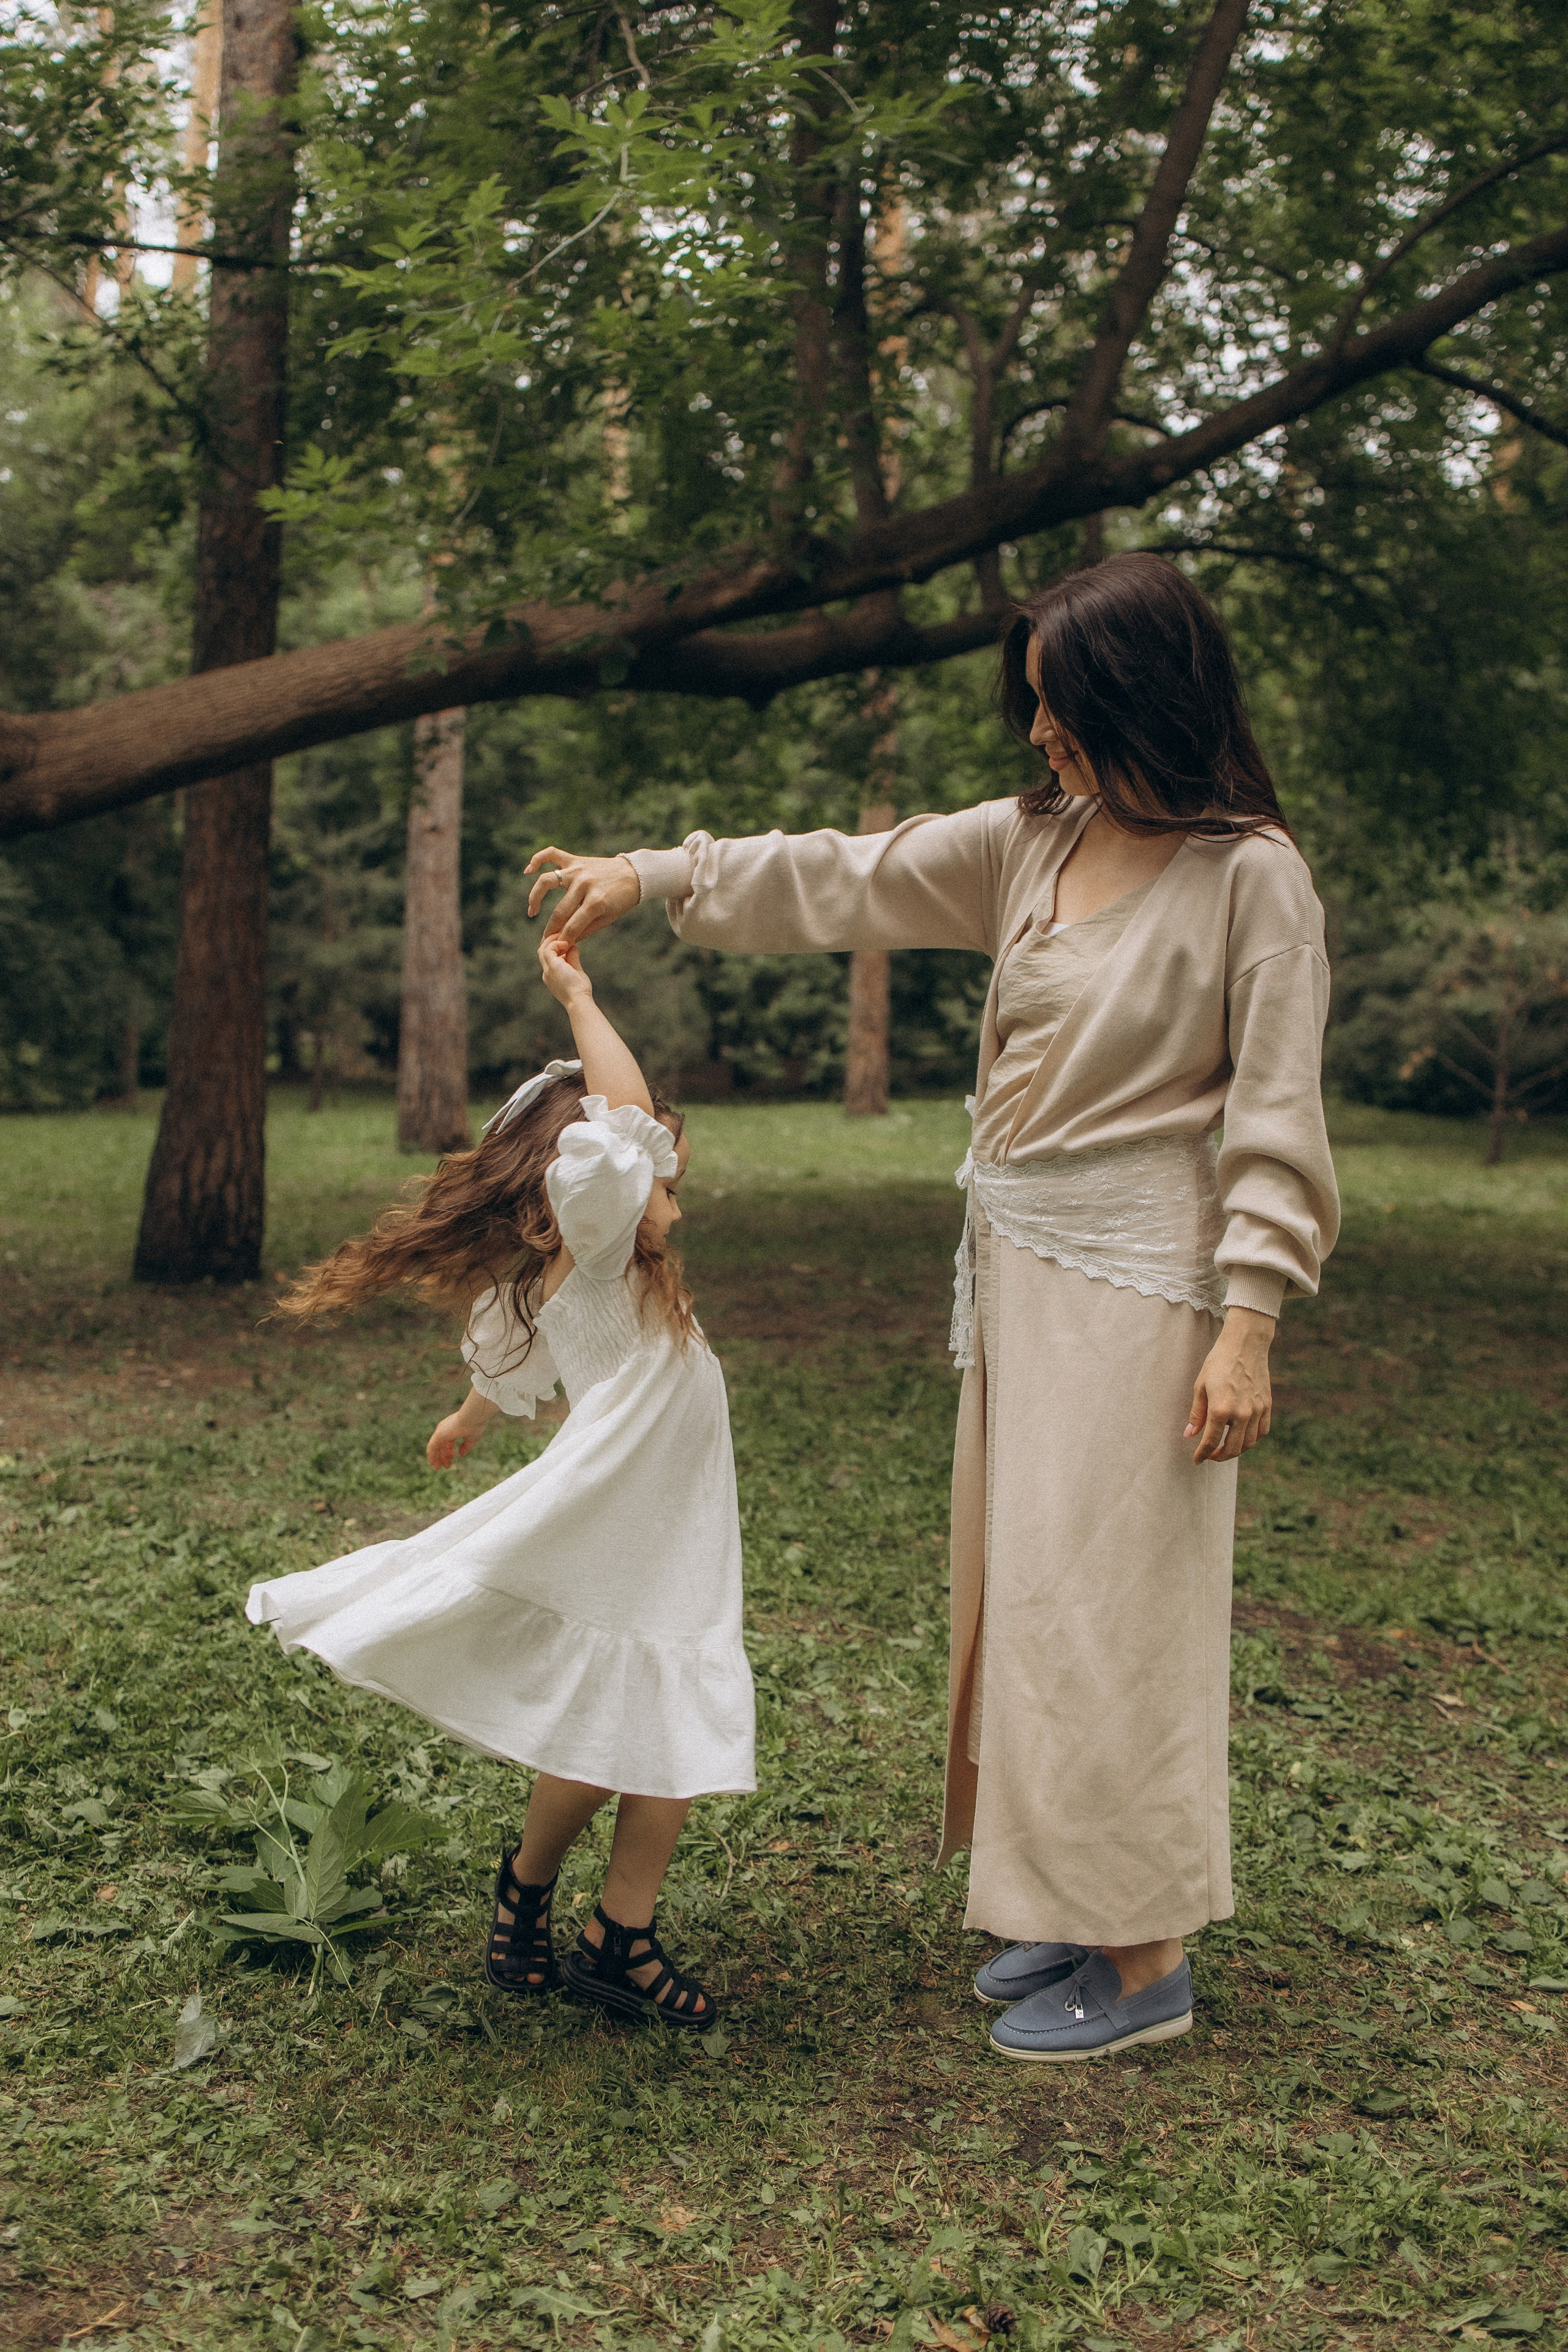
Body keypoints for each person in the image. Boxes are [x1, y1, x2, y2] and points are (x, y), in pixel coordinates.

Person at [523, 552, 1340, 2062]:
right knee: (1021, 1594)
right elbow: (848, 872)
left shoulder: (1250, 879)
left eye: (1060, 706)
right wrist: (655, 875)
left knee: (1109, 1609)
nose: (1039, 733)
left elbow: (1277, 1116)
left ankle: (1144, 1958)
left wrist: (1249, 1324)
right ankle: (1070, 1901)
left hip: (1145, 1291)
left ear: (1141, 699)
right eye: (1030, 704)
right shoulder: (1037, 842)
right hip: (1021, 1272)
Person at [246, 932, 753, 2030]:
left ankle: (575, 1916)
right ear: (595, 1184)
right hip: (624, 1524)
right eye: (662, 1170)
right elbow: (622, 1124)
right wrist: (578, 996)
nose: (674, 1182)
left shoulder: (589, 1275)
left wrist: (465, 1420)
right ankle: (583, 1919)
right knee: (649, 1720)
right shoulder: (601, 1251)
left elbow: (509, 1369)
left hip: (667, 1527)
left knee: (636, 1725)